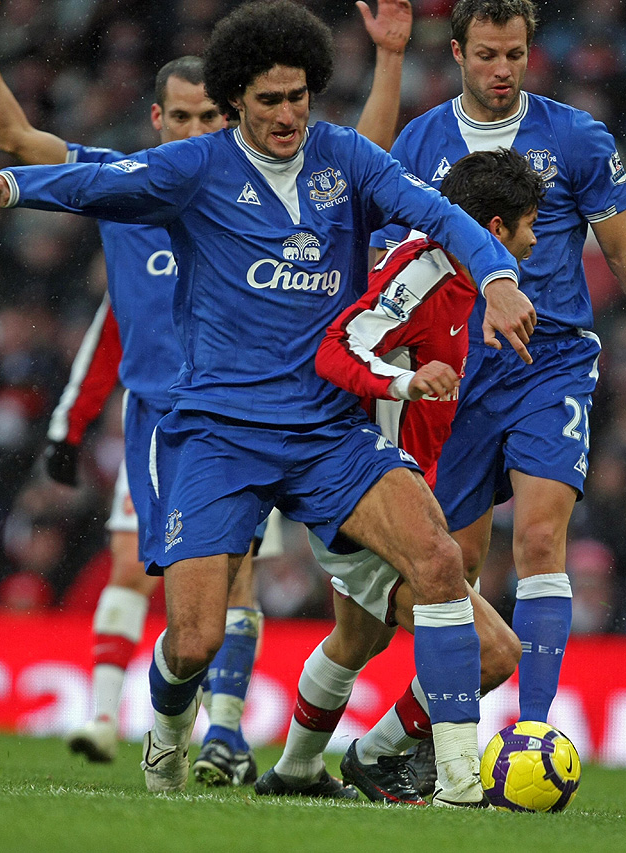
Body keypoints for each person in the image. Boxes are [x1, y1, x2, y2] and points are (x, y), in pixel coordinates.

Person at [0, 0, 538, 808]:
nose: (288, 113)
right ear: (236, 102)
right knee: (193, 639)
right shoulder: (198, 167)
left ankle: (461, 787)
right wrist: (15, 185)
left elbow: (436, 212)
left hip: (328, 430)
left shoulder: (344, 159)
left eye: (298, 94)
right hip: (219, 434)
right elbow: (102, 180)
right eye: (269, 100)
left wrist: (499, 278)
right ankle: (165, 739)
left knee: (438, 560)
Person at [0, 0, 262, 784]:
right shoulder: (124, 180)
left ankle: (222, 732)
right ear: (157, 118)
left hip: (253, 413)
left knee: (239, 573)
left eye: (210, 118)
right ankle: (149, 719)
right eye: (182, 116)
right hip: (160, 421)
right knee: (168, 586)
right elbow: (20, 142)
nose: (195, 132)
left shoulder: (258, 192)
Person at [255, 147, 543, 805]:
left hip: (389, 484)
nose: (535, 238)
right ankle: (385, 759)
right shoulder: (420, 274)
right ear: (494, 227)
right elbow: (336, 347)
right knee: (495, 651)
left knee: (357, 636)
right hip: (358, 482)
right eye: (529, 223)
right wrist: (405, 380)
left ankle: (297, 772)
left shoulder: (454, 276)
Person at [370, 0, 626, 729]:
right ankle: (420, 737)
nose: (501, 69)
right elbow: (392, 263)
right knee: (455, 566)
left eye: (514, 54)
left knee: (542, 536)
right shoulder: (419, 145)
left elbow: (620, 252)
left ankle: (536, 732)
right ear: (456, 52)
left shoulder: (577, 138)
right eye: (486, 54)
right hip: (457, 373)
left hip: (553, 362)